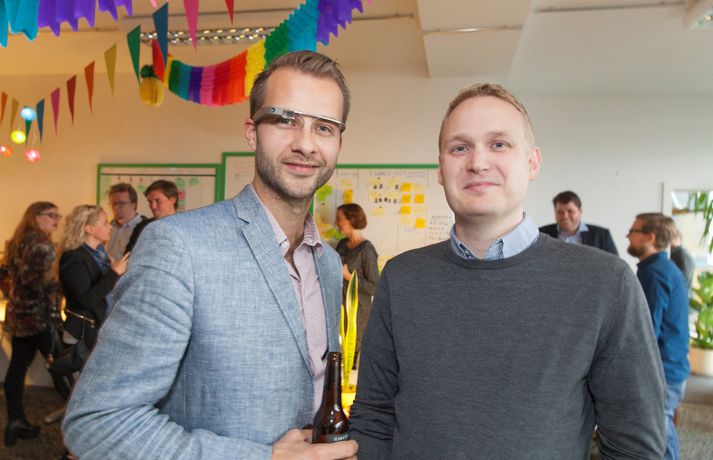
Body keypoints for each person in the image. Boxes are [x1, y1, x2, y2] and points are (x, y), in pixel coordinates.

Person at [62, 51, 358, 460]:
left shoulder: (326, 262)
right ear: (252, 132)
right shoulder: (179, 245)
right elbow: (97, 421)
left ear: (339, 142)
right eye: (285, 119)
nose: (305, 143)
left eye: (323, 127)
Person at [349, 83, 665, 458]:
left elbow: (634, 446)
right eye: (459, 147)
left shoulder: (606, 284)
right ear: (441, 169)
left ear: (532, 163)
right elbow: (373, 418)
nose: (478, 162)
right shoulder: (401, 278)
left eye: (499, 144)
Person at [0, 202, 70, 447]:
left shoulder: (17, 241)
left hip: (19, 316)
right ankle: (83, 428)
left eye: (58, 215)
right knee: (62, 370)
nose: (57, 220)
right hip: (40, 318)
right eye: (51, 215)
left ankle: (15, 421)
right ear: (36, 217)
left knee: (17, 368)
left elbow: (7, 276)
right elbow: (43, 284)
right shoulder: (41, 244)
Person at [626, 213, 690, 460]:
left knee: (658, 435)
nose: (628, 235)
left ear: (650, 237)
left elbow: (646, 330)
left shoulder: (654, 273)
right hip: (671, 367)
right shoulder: (663, 268)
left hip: (663, 371)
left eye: (633, 230)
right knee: (662, 429)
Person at [59, 205, 129, 349]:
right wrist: (114, 273)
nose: (110, 227)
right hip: (84, 333)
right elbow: (86, 300)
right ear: (89, 229)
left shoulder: (100, 254)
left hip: (102, 327)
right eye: (105, 223)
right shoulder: (73, 257)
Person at [334, 203, 379, 367]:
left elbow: (374, 287)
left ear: (351, 220)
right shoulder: (341, 245)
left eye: (339, 219)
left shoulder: (366, 250)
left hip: (357, 315)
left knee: (350, 364)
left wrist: (348, 277)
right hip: (339, 311)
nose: (336, 223)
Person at [539, 190, 618, 255]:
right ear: (555, 213)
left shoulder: (602, 235)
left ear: (580, 211)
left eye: (570, 211)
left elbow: (616, 266)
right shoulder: (540, 234)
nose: (565, 216)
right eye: (560, 212)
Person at [124, 180, 179, 254]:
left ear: (172, 200)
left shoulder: (185, 227)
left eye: (157, 201)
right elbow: (128, 255)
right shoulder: (142, 227)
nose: (153, 206)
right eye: (150, 202)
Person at [105, 183, 147, 261]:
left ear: (133, 204)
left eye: (121, 203)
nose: (115, 207)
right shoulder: (108, 226)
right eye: (113, 204)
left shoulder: (145, 229)